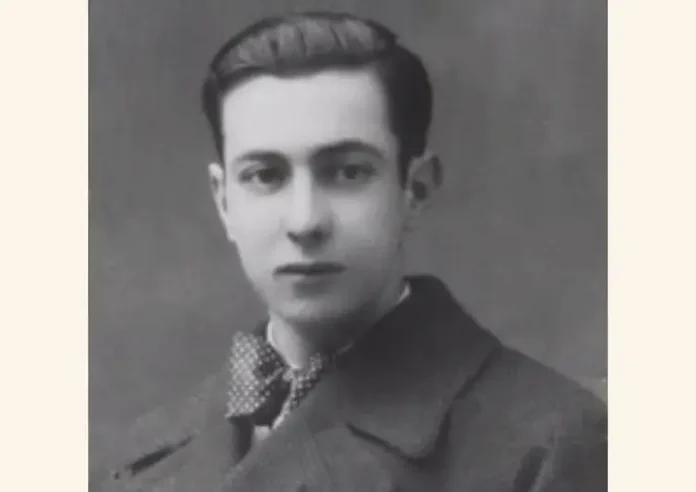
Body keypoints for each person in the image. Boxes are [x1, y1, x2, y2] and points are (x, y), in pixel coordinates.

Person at [93, 11, 607, 491]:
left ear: (415, 189)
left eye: (348, 172)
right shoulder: (140, 457)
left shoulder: (550, 443)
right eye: (265, 176)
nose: (305, 222)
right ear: (224, 201)